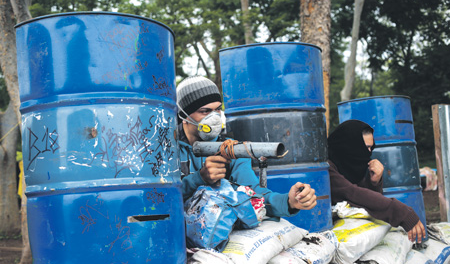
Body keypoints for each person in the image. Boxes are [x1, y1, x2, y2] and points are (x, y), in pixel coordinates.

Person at [176, 75, 317, 218]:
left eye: (218, 109)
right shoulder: (165, 150)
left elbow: (253, 194)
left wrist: (288, 202)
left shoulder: (231, 149)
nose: (214, 118)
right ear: (184, 115)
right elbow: (158, 198)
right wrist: (200, 179)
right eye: (205, 111)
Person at [327, 119, 426, 243]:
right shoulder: (327, 168)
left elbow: (364, 204)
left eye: (371, 148)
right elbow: (351, 193)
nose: (368, 153)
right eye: (366, 147)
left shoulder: (348, 166)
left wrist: (374, 182)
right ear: (351, 145)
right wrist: (402, 213)